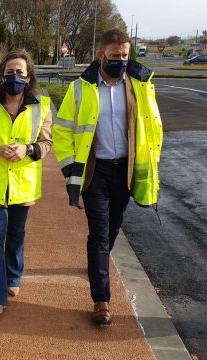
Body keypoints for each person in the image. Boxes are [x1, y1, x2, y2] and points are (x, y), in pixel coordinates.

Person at [53, 28, 163, 325]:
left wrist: (150, 164)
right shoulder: (81, 88)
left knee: (114, 227)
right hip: (96, 172)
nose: (121, 61)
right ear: (101, 55)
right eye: (115, 56)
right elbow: (61, 131)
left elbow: (152, 127)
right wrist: (70, 171)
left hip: (125, 170)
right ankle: (101, 300)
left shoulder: (140, 85)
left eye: (125, 55)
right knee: (99, 234)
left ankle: (96, 264)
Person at [0, 50, 53, 316]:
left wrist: (27, 150)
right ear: (1, 75)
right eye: (9, 72)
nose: (14, 76)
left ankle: (13, 275)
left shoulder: (42, 105)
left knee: (16, 235)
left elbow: (47, 143)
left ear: (28, 77)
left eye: (19, 72)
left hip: (23, 184)